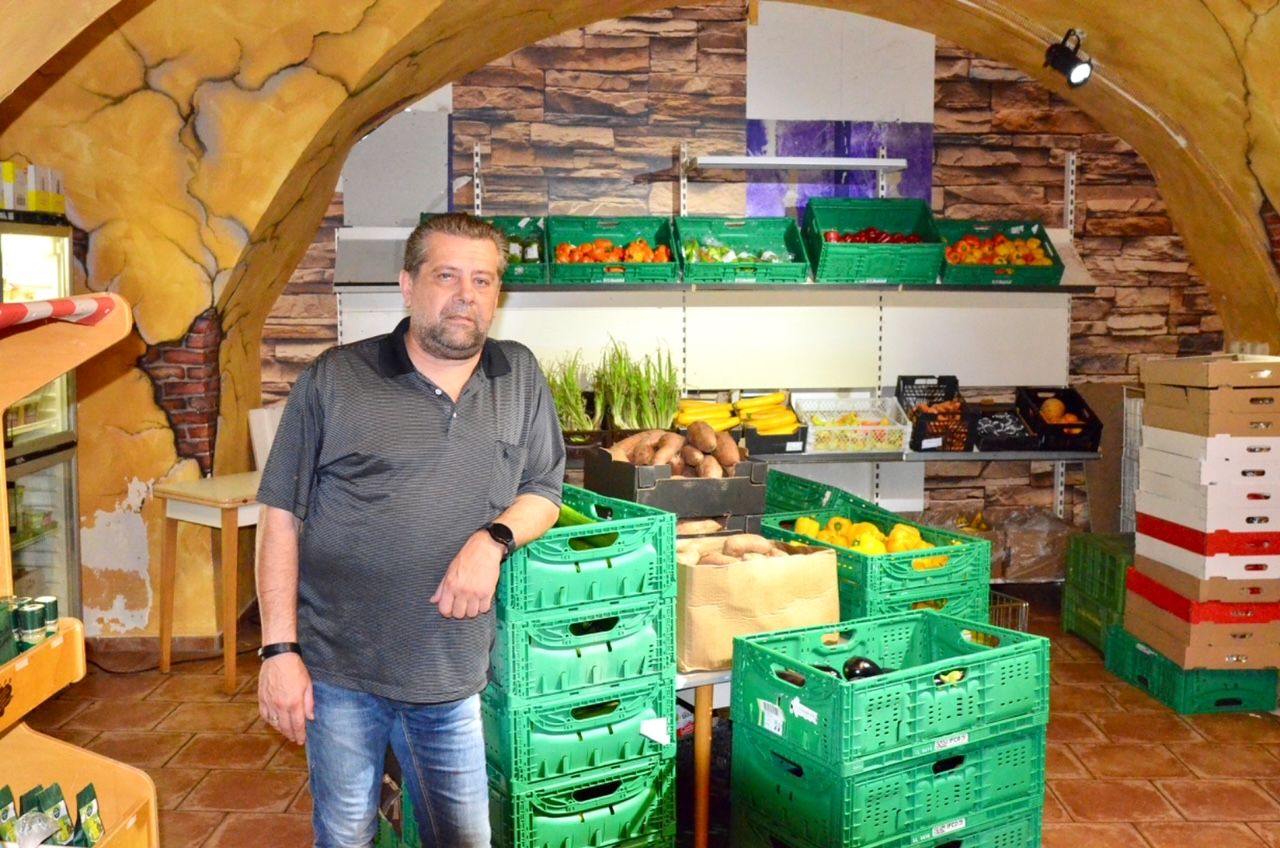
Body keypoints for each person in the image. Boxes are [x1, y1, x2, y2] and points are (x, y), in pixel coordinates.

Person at [255, 212, 565, 847]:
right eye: (447, 276)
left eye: (483, 280)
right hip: (342, 669)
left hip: (451, 674)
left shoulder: (519, 375)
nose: (466, 295)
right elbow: (280, 516)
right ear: (407, 285)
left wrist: (493, 539)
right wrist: (278, 652)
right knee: (347, 833)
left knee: (463, 839)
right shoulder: (336, 378)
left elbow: (544, 491)